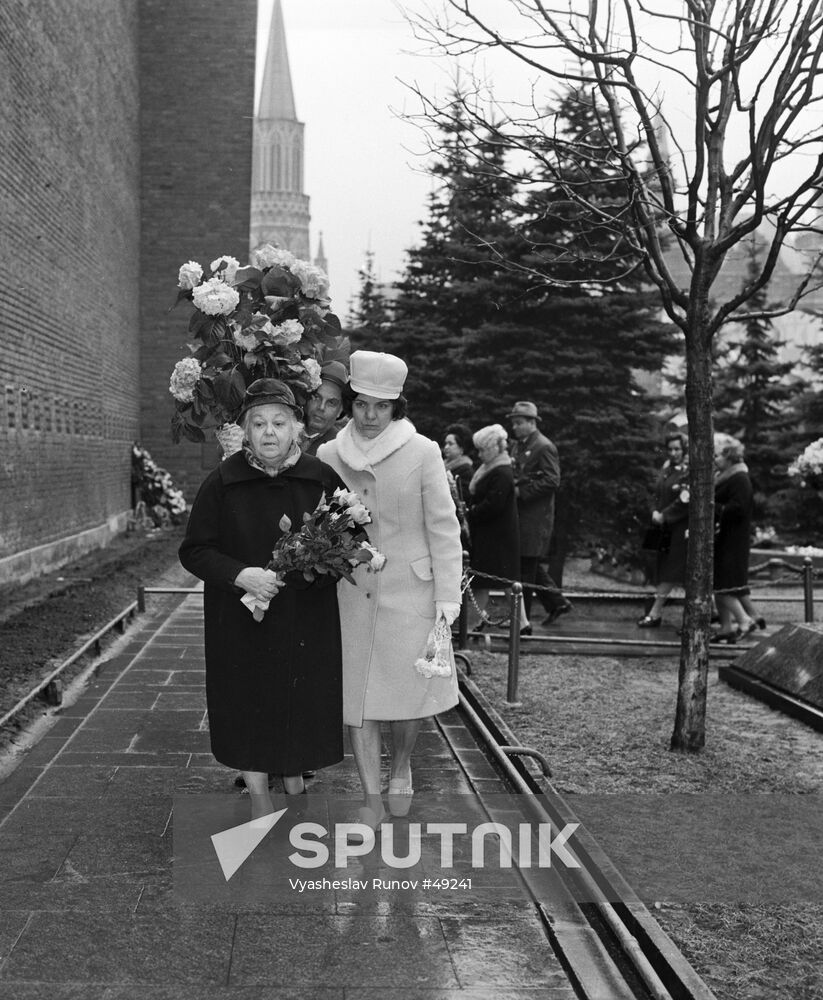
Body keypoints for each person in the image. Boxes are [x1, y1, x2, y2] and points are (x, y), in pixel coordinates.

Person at [179, 378, 350, 819]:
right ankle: (257, 791)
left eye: (279, 422)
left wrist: (317, 565)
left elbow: (351, 538)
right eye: (258, 424)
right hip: (240, 620)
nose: (269, 432)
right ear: (245, 431)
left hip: (304, 618)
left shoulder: (321, 478)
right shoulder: (223, 482)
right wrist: (241, 575)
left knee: (300, 698)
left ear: (297, 427)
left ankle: (294, 782)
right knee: (248, 699)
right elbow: (195, 550)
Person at [318, 350, 463, 829]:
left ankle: (401, 767)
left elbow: (443, 527)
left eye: (382, 406)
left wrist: (447, 598)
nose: (371, 415)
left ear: (397, 406)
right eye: (362, 405)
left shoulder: (422, 451)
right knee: (359, 699)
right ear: (351, 403)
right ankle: (370, 795)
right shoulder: (328, 455)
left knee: (406, 696)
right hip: (350, 593)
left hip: (411, 593)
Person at [508, 401, 572, 632]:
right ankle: (557, 603)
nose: (514, 427)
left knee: (526, 568)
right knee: (529, 565)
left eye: (519, 422)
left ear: (532, 423)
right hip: (522, 516)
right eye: (514, 422)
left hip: (534, 518)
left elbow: (552, 480)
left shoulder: (544, 446)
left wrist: (521, 492)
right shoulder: (519, 445)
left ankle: (521, 621)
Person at [465, 424, 520, 629]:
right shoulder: (495, 468)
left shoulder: (501, 472)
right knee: (503, 582)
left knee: (484, 581)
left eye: (483, 450)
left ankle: (471, 624)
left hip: (495, 536)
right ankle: (521, 623)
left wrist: (472, 512)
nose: (479, 455)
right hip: (494, 535)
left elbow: (493, 505)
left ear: (496, 448)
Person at [637, 433, 690, 627]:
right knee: (663, 568)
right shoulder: (665, 469)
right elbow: (655, 492)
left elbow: (684, 501)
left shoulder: (688, 471)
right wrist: (654, 512)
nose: (673, 453)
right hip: (662, 527)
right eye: (670, 449)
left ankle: (655, 612)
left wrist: (664, 515)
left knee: (672, 570)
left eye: (677, 449)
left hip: (679, 528)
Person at [712, 433, 758, 643]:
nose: (715, 459)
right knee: (719, 584)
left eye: (718, 455)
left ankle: (743, 620)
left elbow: (738, 508)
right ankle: (725, 627)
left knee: (724, 586)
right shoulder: (726, 476)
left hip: (733, 540)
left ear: (729, 457)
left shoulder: (739, 478)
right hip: (725, 538)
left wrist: (715, 507)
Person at [300, 360, 347, 456]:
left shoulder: (341, 450)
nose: (321, 407)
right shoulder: (282, 428)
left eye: (331, 403)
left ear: (340, 410)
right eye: (316, 397)